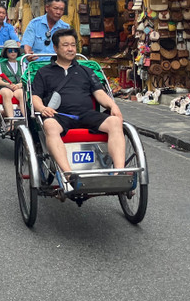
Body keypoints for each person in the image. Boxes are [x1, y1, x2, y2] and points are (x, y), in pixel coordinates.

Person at [30, 28, 124, 192]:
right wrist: (43, 108)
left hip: (86, 114)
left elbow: (99, 93)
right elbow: (35, 97)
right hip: (59, 116)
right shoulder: (43, 72)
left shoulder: (85, 71)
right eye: (65, 45)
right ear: (56, 48)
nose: (71, 49)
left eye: (73, 45)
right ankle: (68, 175)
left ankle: (119, 174)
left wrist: (113, 106)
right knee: (50, 126)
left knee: (115, 122)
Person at [0, 40, 25, 118]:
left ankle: (27, 121)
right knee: (7, 94)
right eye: (10, 50)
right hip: (5, 87)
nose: (13, 52)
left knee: (22, 94)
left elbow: (26, 79)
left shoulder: (22, 64)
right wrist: (7, 84)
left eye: (15, 50)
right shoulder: (1, 65)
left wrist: (19, 85)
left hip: (18, 86)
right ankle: (11, 121)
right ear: (6, 52)